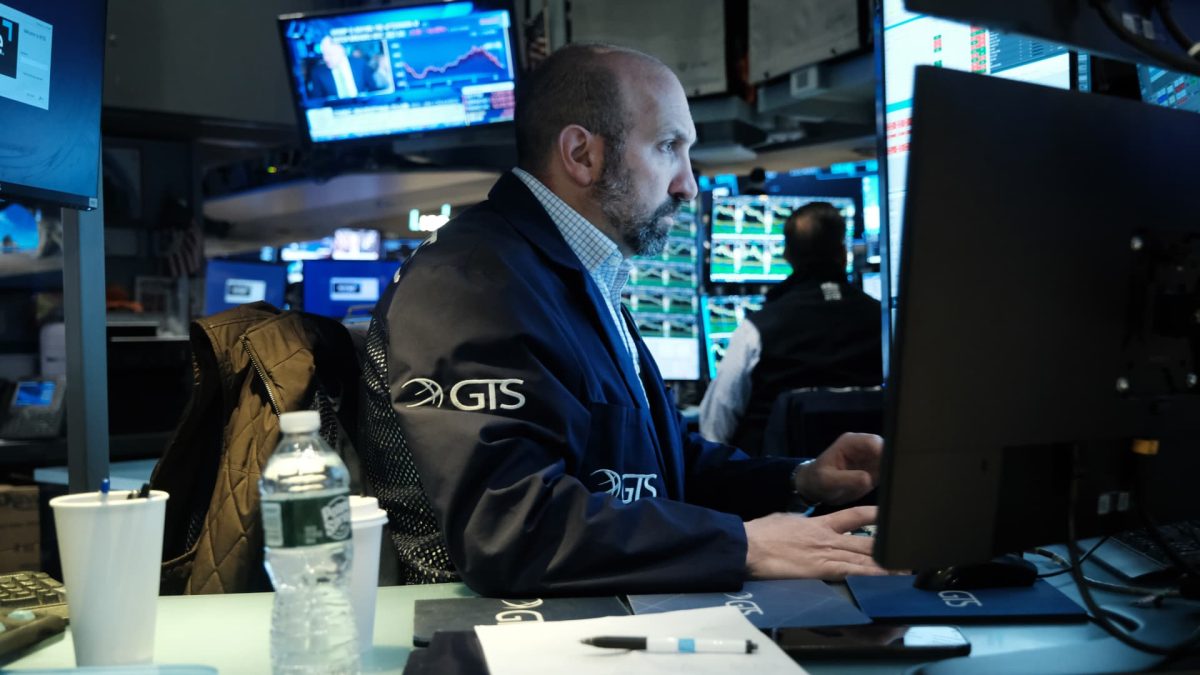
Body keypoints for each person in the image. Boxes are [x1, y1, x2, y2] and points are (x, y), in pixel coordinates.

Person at [364, 43, 886, 596]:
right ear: (581, 154)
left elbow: (663, 466)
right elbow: (509, 528)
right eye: (668, 147)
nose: (688, 184)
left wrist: (797, 479)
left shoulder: (573, 274)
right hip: (492, 629)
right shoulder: (471, 285)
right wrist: (744, 546)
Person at [699, 202, 884, 454]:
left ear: (787, 255)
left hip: (779, 477)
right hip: (866, 474)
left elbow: (714, 428)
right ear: (843, 253)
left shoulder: (757, 329)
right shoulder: (884, 322)